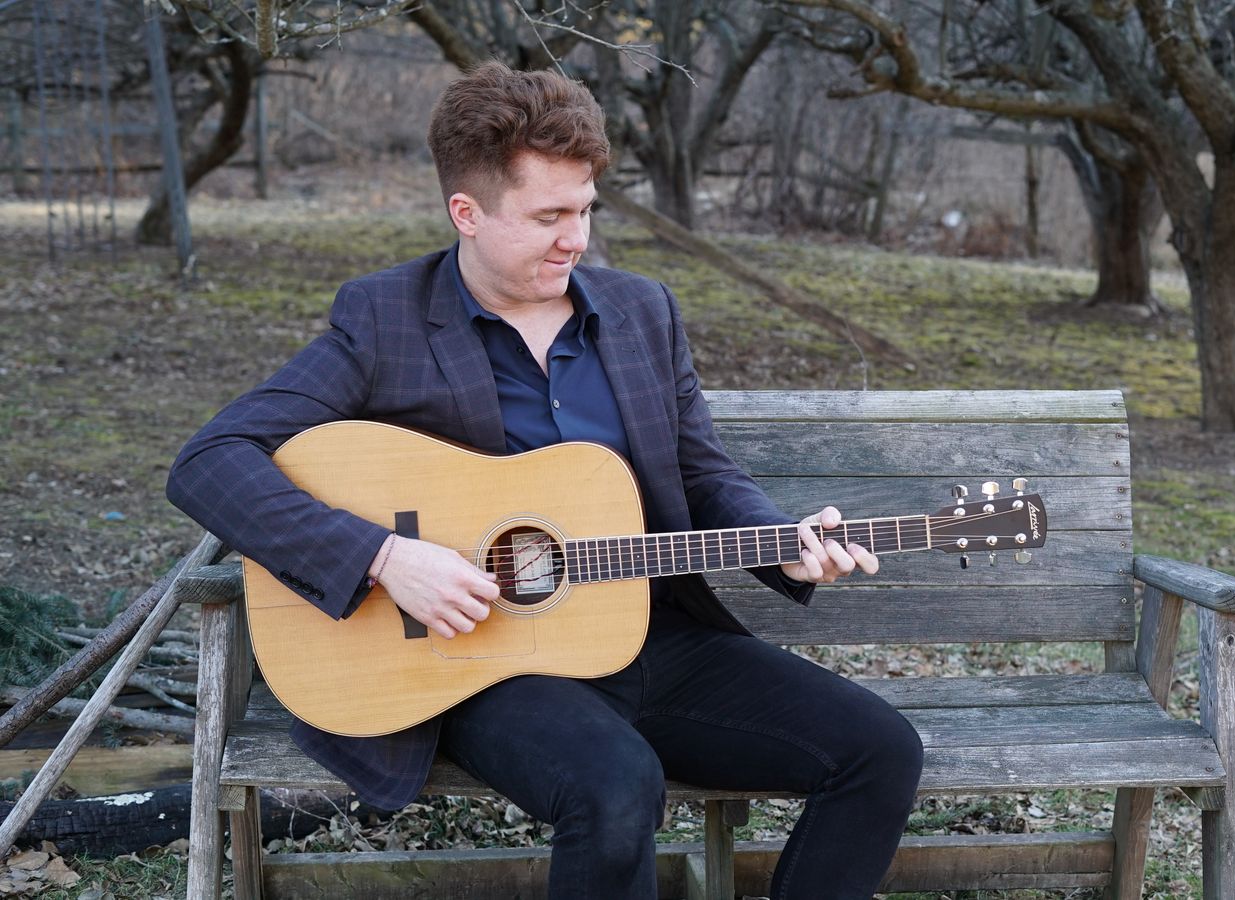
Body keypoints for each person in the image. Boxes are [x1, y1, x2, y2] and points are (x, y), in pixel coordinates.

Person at [166, 62, 924, 898]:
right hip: (486, 662)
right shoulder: (386, 321)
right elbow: (211, 461)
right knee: (614, 785)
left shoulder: (641, 312)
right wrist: (384, 558)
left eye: (586, 210)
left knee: (880, 751)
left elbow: (701, 468)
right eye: (549, 216)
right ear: (468, 213)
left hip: (650, 633)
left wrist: (780, 540)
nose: (577, 239)